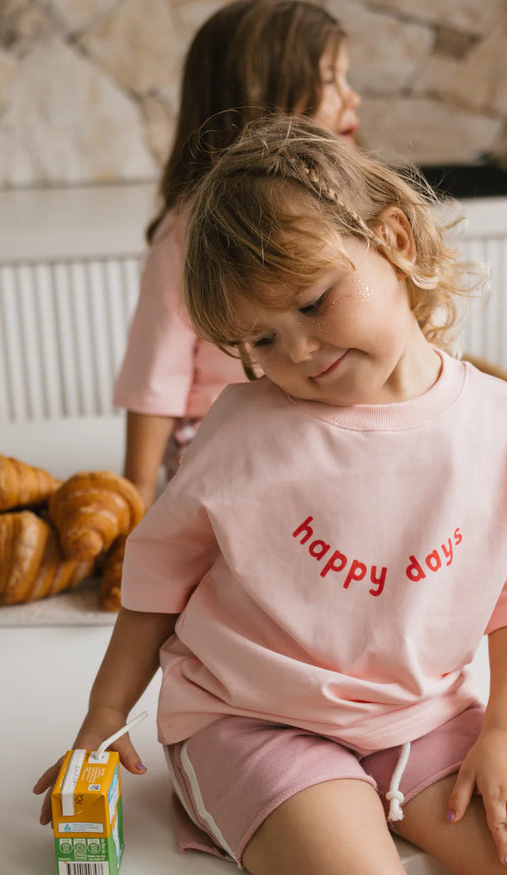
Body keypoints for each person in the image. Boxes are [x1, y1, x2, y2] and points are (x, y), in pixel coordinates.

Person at [36, 117, 507, 875]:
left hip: (416, 715)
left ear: (391, 238)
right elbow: (155, 580)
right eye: (258, 342)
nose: (293, 353)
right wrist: (104, 718)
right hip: (249, 721)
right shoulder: (240, 431)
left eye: (309, 304)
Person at [113, 0, 361, 508]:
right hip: (222, 426)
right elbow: (155, 374)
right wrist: (136, 493)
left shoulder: (348, 211)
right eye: (331, 80)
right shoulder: (190, 235)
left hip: (316, 406)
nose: (352, 97)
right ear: (264, 99)